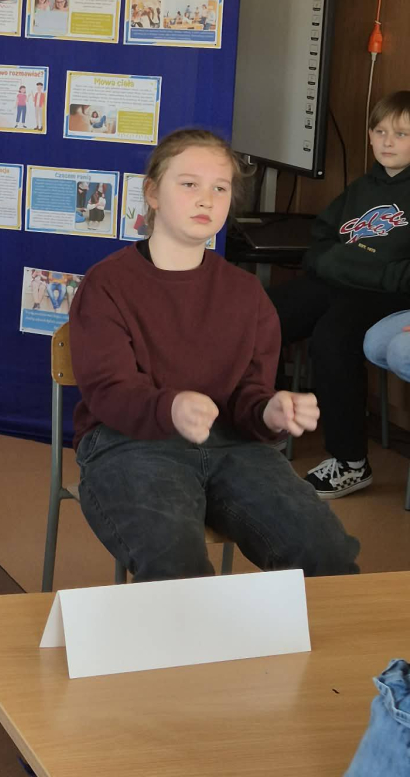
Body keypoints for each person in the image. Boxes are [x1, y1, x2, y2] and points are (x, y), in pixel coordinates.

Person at [69, 127, 359, 582]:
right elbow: (109, 391)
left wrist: (270, 411)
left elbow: (250, 394)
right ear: (153, 194)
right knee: (178, 568)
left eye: (220, 188)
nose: (206, 199)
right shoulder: (107, 285)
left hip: (235, 447)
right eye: (189, 184)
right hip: (129, 443)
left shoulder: (246, 293)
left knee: (326, 554)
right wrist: (171, 407)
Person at [269, 91, 410, 499]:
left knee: (332, 339)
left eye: (401, 134)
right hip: (339, 282)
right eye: (379, 131)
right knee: (263, 315)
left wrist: (364, 269)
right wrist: (336, 263)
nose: (387, 141)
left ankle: (351, 463)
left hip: (386, 295)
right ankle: (270, 424)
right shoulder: (361, 188)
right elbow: (321, 242)